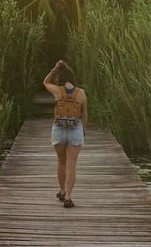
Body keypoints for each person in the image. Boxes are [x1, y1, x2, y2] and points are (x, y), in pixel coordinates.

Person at [43, 59, 88, 209]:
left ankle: (62, 191)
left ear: (60, 79)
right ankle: (68, 197)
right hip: (75, 129)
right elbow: (85, 114)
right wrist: (83, 130)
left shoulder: (57, 90)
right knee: (71, 165)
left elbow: (45, 82)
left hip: (59, 130)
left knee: (61, 162)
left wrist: (54, 69)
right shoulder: (81, 93)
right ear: (73, 77)